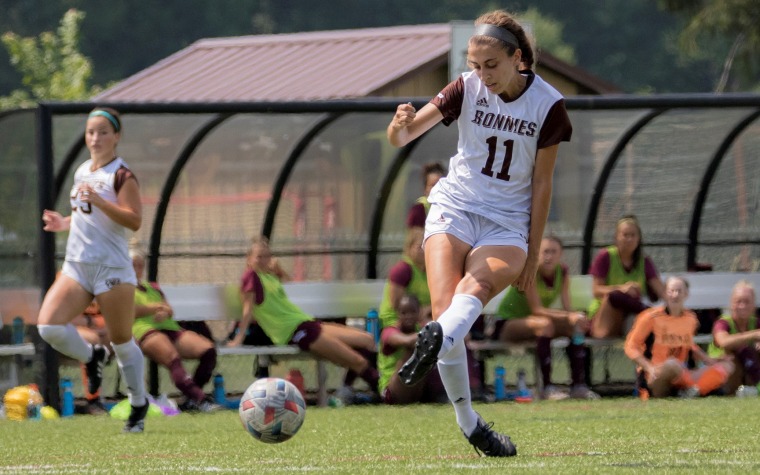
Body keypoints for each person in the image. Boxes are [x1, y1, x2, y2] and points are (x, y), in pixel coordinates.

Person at [387, 10, 572, 457]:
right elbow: (405, 136)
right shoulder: (465, 87)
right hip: (455, 206)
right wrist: (398, 124)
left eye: (491, 65)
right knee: (448, 314)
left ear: (517, 58)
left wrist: (530, 252)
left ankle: (442, 358)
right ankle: (469, 421)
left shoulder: (548, 105)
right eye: (475, 64)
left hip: (508, 219)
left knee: (473, 294)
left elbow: (543, 183)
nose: (481, 74)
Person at [38, 107, 149, 433]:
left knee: (122, 341)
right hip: (77, 265)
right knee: (49, 326)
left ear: (116, 136)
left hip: (111, 268)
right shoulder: (82, 170)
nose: (95, 138)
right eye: (91, 132)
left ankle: (138, 403)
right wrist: (64, 223)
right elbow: (86, 217)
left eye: (103, 132)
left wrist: (102, 202)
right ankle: (91, 356)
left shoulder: (122, 175)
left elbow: (134, 220)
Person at [227, 237, 380, 400]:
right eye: (259, 257)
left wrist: (278, 270)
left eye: (267, 256)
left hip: (307, 323)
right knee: (357, 360)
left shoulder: (269, 276)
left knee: (367, 341)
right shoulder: (250, 276)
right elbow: (248, 309)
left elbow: (286, 285)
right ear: (249, 259)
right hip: (294, 331)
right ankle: (385, 393)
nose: (264, 260)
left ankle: (347, 389)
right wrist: (239, 338)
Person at [494, 236, 597, 400]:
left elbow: (567, 307)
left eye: (553, 251)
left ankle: (579, 385)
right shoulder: (530, 271)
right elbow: (537, 310)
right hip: (508, 325)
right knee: (545, 324)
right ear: (537, 253)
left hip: (537, 323)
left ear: (561, 253)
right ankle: (547, 388)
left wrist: (576, 318)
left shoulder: (562, 271)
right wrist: (569, 315)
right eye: (545, 252)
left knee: (575, 327)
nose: (549, 256)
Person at [130, 250, 221, 412]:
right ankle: (201, 400)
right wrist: (156, 307)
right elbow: (130, 311)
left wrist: (165, 312)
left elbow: (169, 309)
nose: (137, 268)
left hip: (170, 328)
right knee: (173, 358)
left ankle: (191, 398)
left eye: (139, 265)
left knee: (208, 350)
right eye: (132, 265)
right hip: (145, 330)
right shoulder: (122, 289)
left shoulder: (152, 288)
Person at [624, 276, 733, 399]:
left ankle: (693, 391)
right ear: (665, 293)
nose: (675, 295)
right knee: (672, 364)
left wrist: (708, 360)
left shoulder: (691, 319)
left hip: (682, 374)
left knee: (727, 366)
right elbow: (630, 346)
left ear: (686, 294)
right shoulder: (650, 317)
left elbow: (689, 344)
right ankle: (692, 390)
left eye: (679, 291)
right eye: (671, 291)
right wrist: (649, 367)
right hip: (655, 375)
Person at [588, 215, 665, 339]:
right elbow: (596, 290)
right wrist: (622, 289)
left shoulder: (644, 261)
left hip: (630, 315)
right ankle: (651, 313)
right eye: (625, 235)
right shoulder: (605, 257)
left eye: (633, 235)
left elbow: (661, 290)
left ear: (639, 239)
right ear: (617, 237)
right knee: (616, 297)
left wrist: (675, 299)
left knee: (639, 324)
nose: (629, 239)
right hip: (604, 317)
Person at [379, 295, 448, 404]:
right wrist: (435, 333)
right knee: (415, 349)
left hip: (416, 390)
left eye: (412, 312)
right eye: (404, 313)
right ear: (397, 313)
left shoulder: (421, 329)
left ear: (419, 312)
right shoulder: (389, 331)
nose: (408, 316)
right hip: (392, 391)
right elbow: (406, 340)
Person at [708, 281, 760, 395]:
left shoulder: (755, 322)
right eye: (738, 302)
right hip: (721, 375)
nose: (742, 306)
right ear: (731, 304)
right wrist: (754, 335)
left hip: (747, 372)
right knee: (733, 352)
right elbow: (724, 342)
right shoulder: (723, 323)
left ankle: (753, 389)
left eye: (747, 302)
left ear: (754, 305)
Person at [379, 227, 430, 329]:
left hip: (421, 319)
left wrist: (428, 309)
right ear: (409, 248)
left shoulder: (430, 270)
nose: (423, 250)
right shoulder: (403, 270)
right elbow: (396, 305)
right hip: (396, 322)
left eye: (426, 246)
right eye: (419, 247)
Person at [406, 162, 446, 229]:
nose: (437, 189)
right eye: (433, 185)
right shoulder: (418, 211)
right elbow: (416, 238)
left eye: (440, 185)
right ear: (425, 189)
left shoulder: (452, 209)